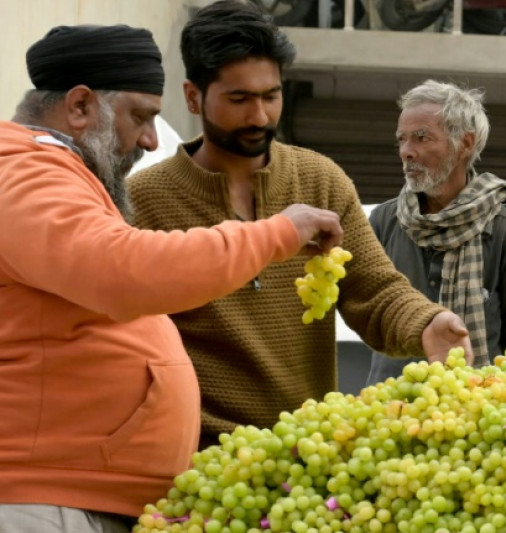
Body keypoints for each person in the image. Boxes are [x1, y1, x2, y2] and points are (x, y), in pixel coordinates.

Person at [0, 24, 347, 531]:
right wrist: (276, 235)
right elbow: (122, 271)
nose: (148, 139)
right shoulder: (25, 172)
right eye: (140, 117)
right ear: (79, 107)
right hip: (51, 500)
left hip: (80, 497)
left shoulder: (51, 174)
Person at [128, 0, 473, 450]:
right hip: (193, 455)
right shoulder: (144, 201)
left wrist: (427, 323)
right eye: (239, 99)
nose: (259, 116)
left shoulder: (319, 179)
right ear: (193, 96)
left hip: (304, 450)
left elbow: (374, 289)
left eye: (271, 96)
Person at [365, 80, 506, 385]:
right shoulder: (384, 221)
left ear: (466, 143)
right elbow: (368, 309)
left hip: (474, 407)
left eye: (421, 138)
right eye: (402, 140)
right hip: (389, 402)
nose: (407, 151)